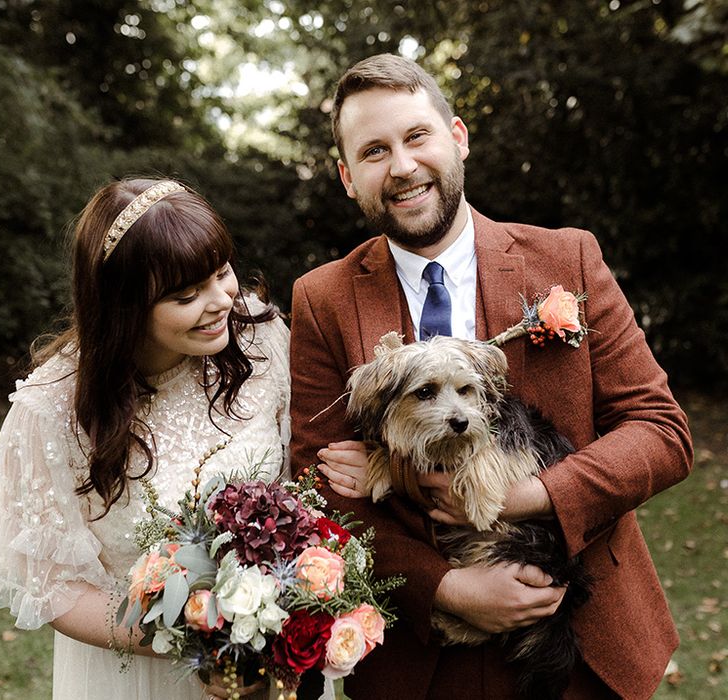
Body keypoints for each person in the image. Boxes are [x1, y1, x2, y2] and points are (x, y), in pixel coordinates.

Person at [289, 54, 693, 699]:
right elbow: (316, 489)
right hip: (420, 660)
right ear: (346, 177)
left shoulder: (569, 259)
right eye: (373, 151)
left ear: (458, 137)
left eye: (416, 136)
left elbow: (662, 433)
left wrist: (528, 496)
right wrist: (445, 587)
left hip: (584, 642)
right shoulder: (322, 298)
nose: (401, 166)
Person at [0, 178, 289, 699]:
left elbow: (299, 478)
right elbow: (53, 586)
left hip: (269, 668)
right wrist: (196, 640)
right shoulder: (50, 411)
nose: (221, 301)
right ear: (124, 309)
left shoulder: (262, 339)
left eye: (221, 272)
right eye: (187, 295)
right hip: (142, 676)